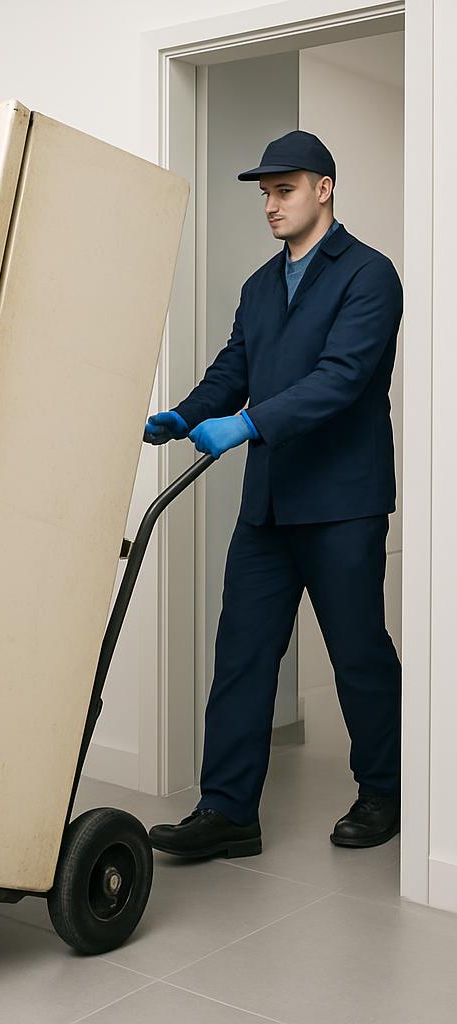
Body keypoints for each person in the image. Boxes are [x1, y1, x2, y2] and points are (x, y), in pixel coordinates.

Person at [145, 130, 403, 859]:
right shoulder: (261, 286)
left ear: (324, 187)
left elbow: (341, 378)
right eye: (264, 193)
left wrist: (250, 423)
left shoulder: (369, 275)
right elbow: (234, 368)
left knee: (358, 653)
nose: (271, 204)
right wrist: (186, 415)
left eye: (283, 189)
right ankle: (228, 812)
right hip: (268, 507)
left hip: (342, 504)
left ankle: (384, 790)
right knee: (243, 654)